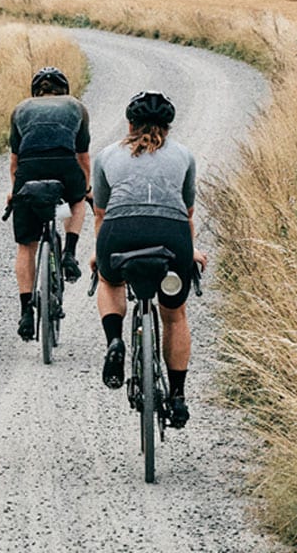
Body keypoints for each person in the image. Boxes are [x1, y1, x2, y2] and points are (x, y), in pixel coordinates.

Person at [89, 90, 206, 429]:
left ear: (129, 124)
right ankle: (179, 396)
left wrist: (99, 252)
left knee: (110, 280)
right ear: (168, 127)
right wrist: (190, 250)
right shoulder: (184, 155)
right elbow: (186, 214)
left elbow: (101, 213)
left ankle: (115, 340)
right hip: (172, 237)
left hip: (119, 232)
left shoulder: (107, 154)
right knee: (174, 315)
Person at [8, 66, 91, 341]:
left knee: (26, 246)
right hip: (64, 168)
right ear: (64, 91)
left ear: (35, 93)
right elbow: (83, 157)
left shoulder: (20, 109)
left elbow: (14, 162)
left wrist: (15, 192)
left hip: (29, 172)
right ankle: (69, 251)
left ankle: (25, 313)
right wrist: (86, 188)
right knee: (75, 201)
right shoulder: (75, 107)